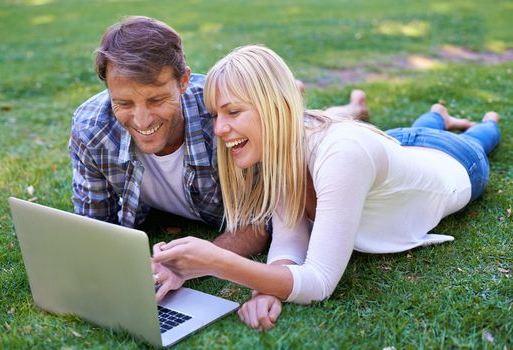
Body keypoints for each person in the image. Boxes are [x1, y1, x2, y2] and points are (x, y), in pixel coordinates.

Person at [152, 45, 501, 330]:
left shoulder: (341, 155)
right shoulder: (279, 151)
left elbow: (319, 282)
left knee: (481, 138)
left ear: (274, 107)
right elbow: (290, 238)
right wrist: (267, 287)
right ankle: (438, 114)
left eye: (232, 112)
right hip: (398, 147)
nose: (219, 129)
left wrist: (218, 262)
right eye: (215, 115)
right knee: (420, 126)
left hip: (454, 162)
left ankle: (480, 121)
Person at [68, 17, 270, 301]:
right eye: (124, 103)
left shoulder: (222, 120)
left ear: (184, 80)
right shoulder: (92, 128)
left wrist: (190, 264)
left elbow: (260, 222)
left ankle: (346, 107)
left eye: (156, 100)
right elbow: (95, 226)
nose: (142, 120)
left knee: (314, 123)